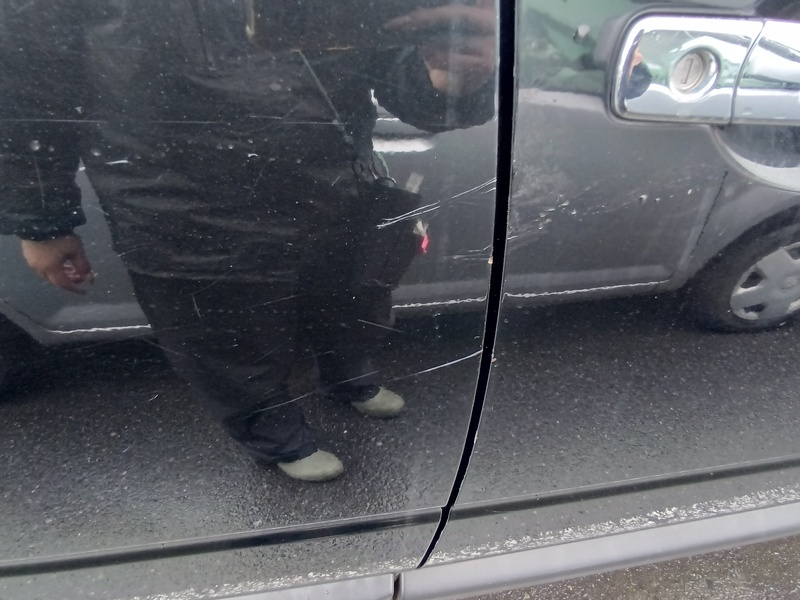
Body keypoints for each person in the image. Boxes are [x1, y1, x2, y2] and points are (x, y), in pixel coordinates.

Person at [0, 0, 495, 481]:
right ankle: (274, 432)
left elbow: (392, 60)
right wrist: (42, 222)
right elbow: (27, 89)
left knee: (351, 299)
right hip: (181, 199)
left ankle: (348, 377)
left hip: (330, 181)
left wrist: (449, 81)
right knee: (228, 338)